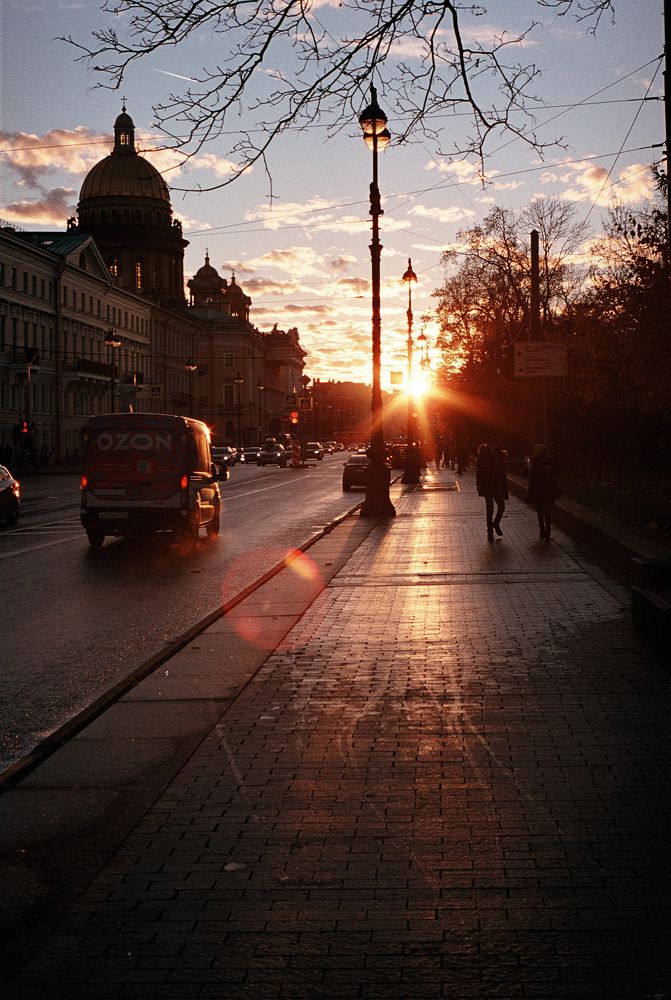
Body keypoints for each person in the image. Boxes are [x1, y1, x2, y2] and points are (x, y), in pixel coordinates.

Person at [476, 440, 509, 542]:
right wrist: (479, 484)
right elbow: (479, 470)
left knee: (501, 506)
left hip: (497, 484)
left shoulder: (498, 454)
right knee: (489, 509)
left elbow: (502, 470)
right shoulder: (485, 454)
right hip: (487, 484)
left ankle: (496, 523)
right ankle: (490, 532)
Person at [526, 443, 558, 541]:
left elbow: (532, 473)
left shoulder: (535, 460)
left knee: (541, 510)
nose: (534, 451)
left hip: (540, 487)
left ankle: (543, 530)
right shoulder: (546, 460)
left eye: (536, 450)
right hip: (545, 487)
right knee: (545, 510)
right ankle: (546, 530)